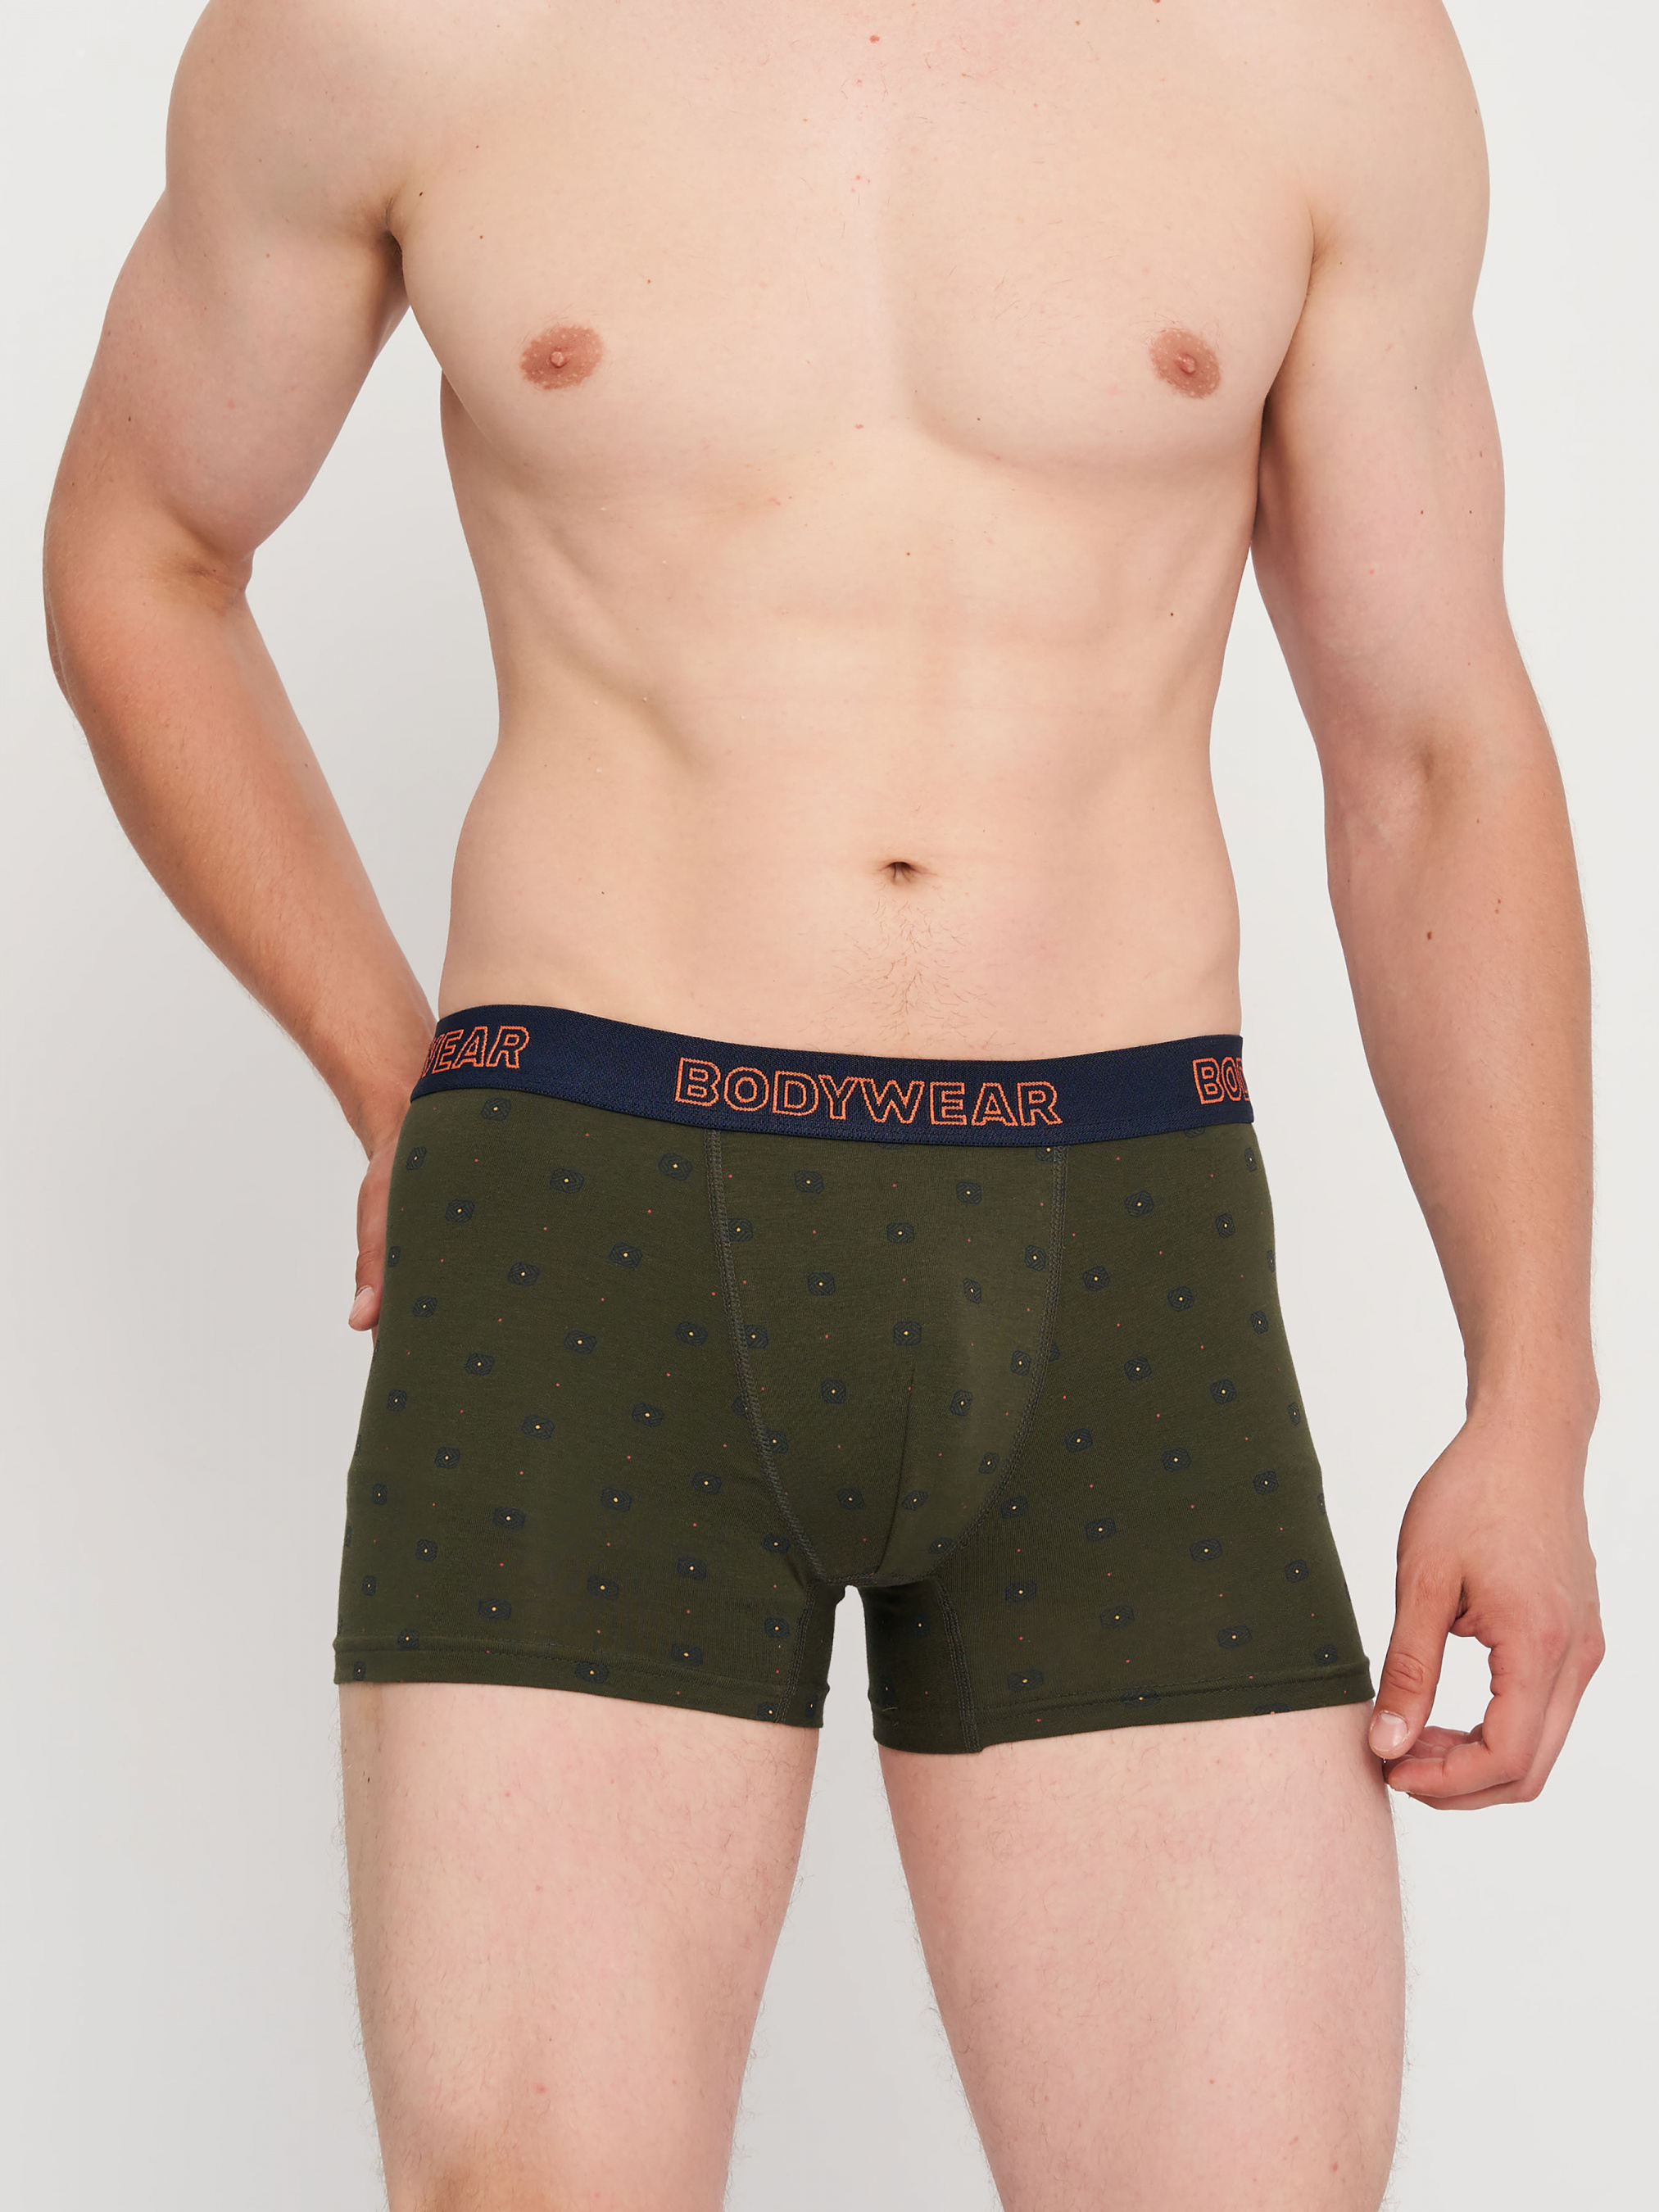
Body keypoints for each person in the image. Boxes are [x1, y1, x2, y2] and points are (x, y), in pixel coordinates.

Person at [42, 1, 1603, 2205]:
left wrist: (1532, 1397)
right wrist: (396, 1070)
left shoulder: (1311, 52)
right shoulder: (395, 28)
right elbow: (140, 549)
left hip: (1121, 1249)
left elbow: (1432, 746)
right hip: (587, 1221)